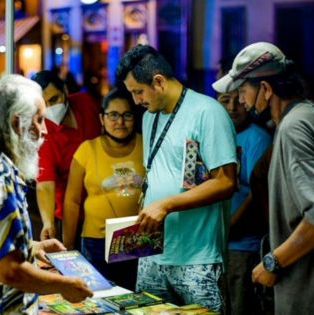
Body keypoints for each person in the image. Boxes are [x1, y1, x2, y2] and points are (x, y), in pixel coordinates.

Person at [213, 42, 314, 315]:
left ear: (266, 89)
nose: (242, 100)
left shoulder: (295, 128)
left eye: (243, 90)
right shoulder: (313, 115)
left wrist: (274, 262)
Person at [0, 74, 92, 314]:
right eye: (39, 120)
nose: (44, 131)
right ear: (16, 123)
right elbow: (9, 271)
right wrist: (65, 284)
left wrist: (33, 246)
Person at [116, 44, 237, 312]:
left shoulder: (208, 112)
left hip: (197, 259)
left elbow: (226, 182)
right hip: (153, 254)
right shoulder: (150, 117)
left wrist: (166, 205)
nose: (136, 101)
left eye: (138, 91)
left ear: (158, 81)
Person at [62, 87, 145, 291]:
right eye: (113, 115)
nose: (120, 122)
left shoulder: (147, 146)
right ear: (102, 118)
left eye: (127, 115)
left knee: (134, 299)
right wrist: (68, 245)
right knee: (98, 298)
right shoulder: (87, 150)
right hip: (96, 242)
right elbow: (72, 201)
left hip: (139, 240)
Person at [216, 80, 272, 315]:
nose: (232, 107)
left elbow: (256, 195)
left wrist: (228, 227)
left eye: (237, 99)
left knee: (240, 306)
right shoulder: (212, 135)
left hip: (242, 245)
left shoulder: (258, 138)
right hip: (214, 244)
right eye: (224, 100)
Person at [31, 70, 102, 242]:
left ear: (65, 90)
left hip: (103, 207)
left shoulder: (86, 103)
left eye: (54, 100)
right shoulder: (43, 135)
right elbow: (45, 186)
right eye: (43, 105)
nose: (49, 108)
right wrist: (48, 223)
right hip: (72, 217)